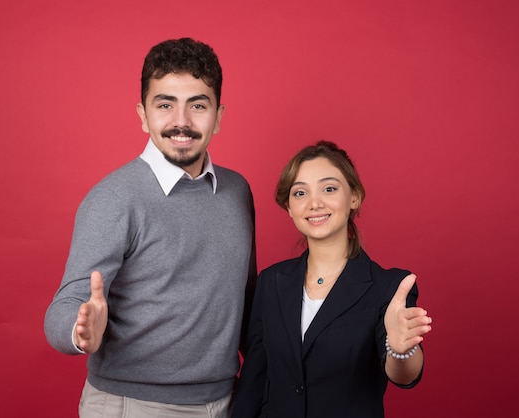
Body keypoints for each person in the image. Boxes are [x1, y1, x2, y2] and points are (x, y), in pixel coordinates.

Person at [44, 38, 257, 418]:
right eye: (165, 105)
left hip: (228, 401)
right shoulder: (114, 197)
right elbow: (66, 304)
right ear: (143, 114)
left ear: (219, 116)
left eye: (198, 105)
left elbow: (246, 302)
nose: (182, 122)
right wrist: (79, 331)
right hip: (134, 406)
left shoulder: (236, 191)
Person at [230, 141, 432, 418]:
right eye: (300, 193)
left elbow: (405, 376)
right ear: (289, 207)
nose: (315, 203)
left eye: (329, 188)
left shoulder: (390, 287)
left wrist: (400, 351)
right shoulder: (271, 282)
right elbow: (254, 378)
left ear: (354, 197)